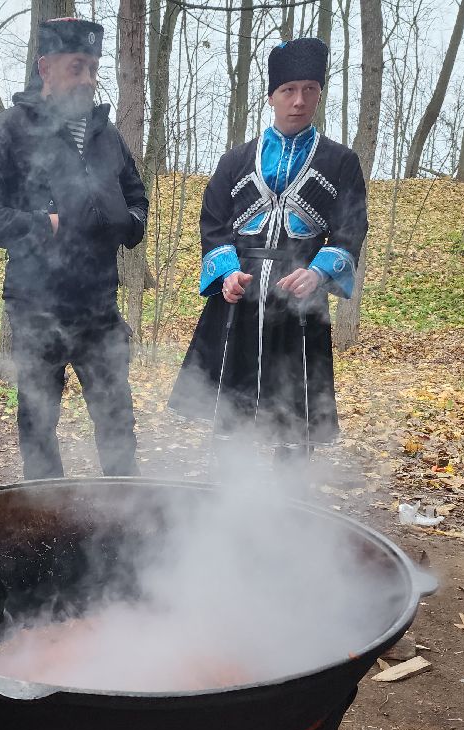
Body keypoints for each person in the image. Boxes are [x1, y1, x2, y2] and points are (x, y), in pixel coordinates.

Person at [0, 18, 148, 480]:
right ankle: (44, 518)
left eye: (92, 68)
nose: (87, 79)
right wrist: (42, 224)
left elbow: (136, 194)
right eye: (76, 67)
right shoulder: (8, 130)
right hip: (36, 307)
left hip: (99, 305)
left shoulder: (107, 135)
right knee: (39, 419)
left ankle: (128, 513)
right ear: (46, 67)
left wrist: (132, 223)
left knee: (116, 416)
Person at [169, 38, 368, 462]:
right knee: (231, 404)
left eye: (310, 89)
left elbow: (351, 227)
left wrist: (318, 272)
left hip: (299, 304)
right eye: (288, 90)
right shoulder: (235, 161)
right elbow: (213, 223)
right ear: (271, 96)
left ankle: (290, 505)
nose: (299, 100)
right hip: (240, 300)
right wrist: (226, 274)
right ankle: (225, 496)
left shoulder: (340, 162)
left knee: (294, 406)